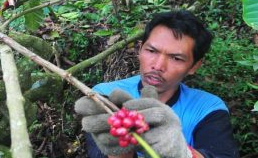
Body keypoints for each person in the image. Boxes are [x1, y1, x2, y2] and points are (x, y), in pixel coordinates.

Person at [75, 10, 239, 158]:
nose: (158, 66)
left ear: (194, 66)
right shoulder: (106, 95)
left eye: (176, 58)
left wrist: (181, 152)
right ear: (140, 50)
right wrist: (121, 144)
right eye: (151, 51)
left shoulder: (207, 108)